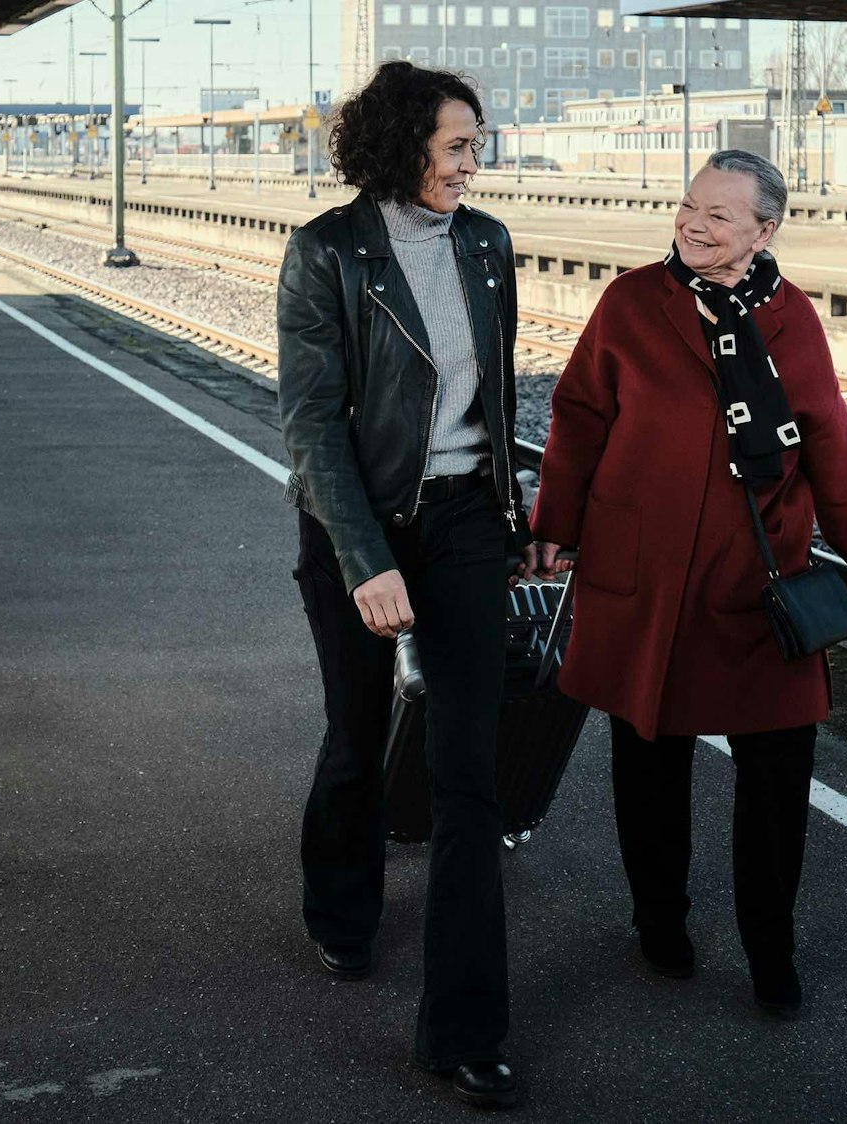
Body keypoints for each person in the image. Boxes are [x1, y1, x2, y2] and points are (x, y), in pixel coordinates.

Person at [528, 149, 847, 1015]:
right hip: (648, 583)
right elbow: (580, 418)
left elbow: (830, 439)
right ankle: (659, 922)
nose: (693, 226)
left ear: (765, 232)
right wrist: (554, 526)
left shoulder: (791, 320)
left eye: (719, 217)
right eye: (687, 207)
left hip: (756, 585)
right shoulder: (632, 304)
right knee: (649, 762)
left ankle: (770, 954)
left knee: (777, 776)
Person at [278, 61, 529, 1109]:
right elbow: (310, 425)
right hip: (358, 521)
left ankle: (463, 1031)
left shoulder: (486, 245)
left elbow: (495, 392)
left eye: (477, 144)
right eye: (456, 146)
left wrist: (522, 510)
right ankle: (343, 904)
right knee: (358, 730)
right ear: (401, 147)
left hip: (466, 518)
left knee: (473, 769)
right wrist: (364, 556)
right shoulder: (327, 253)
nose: (473, 164)